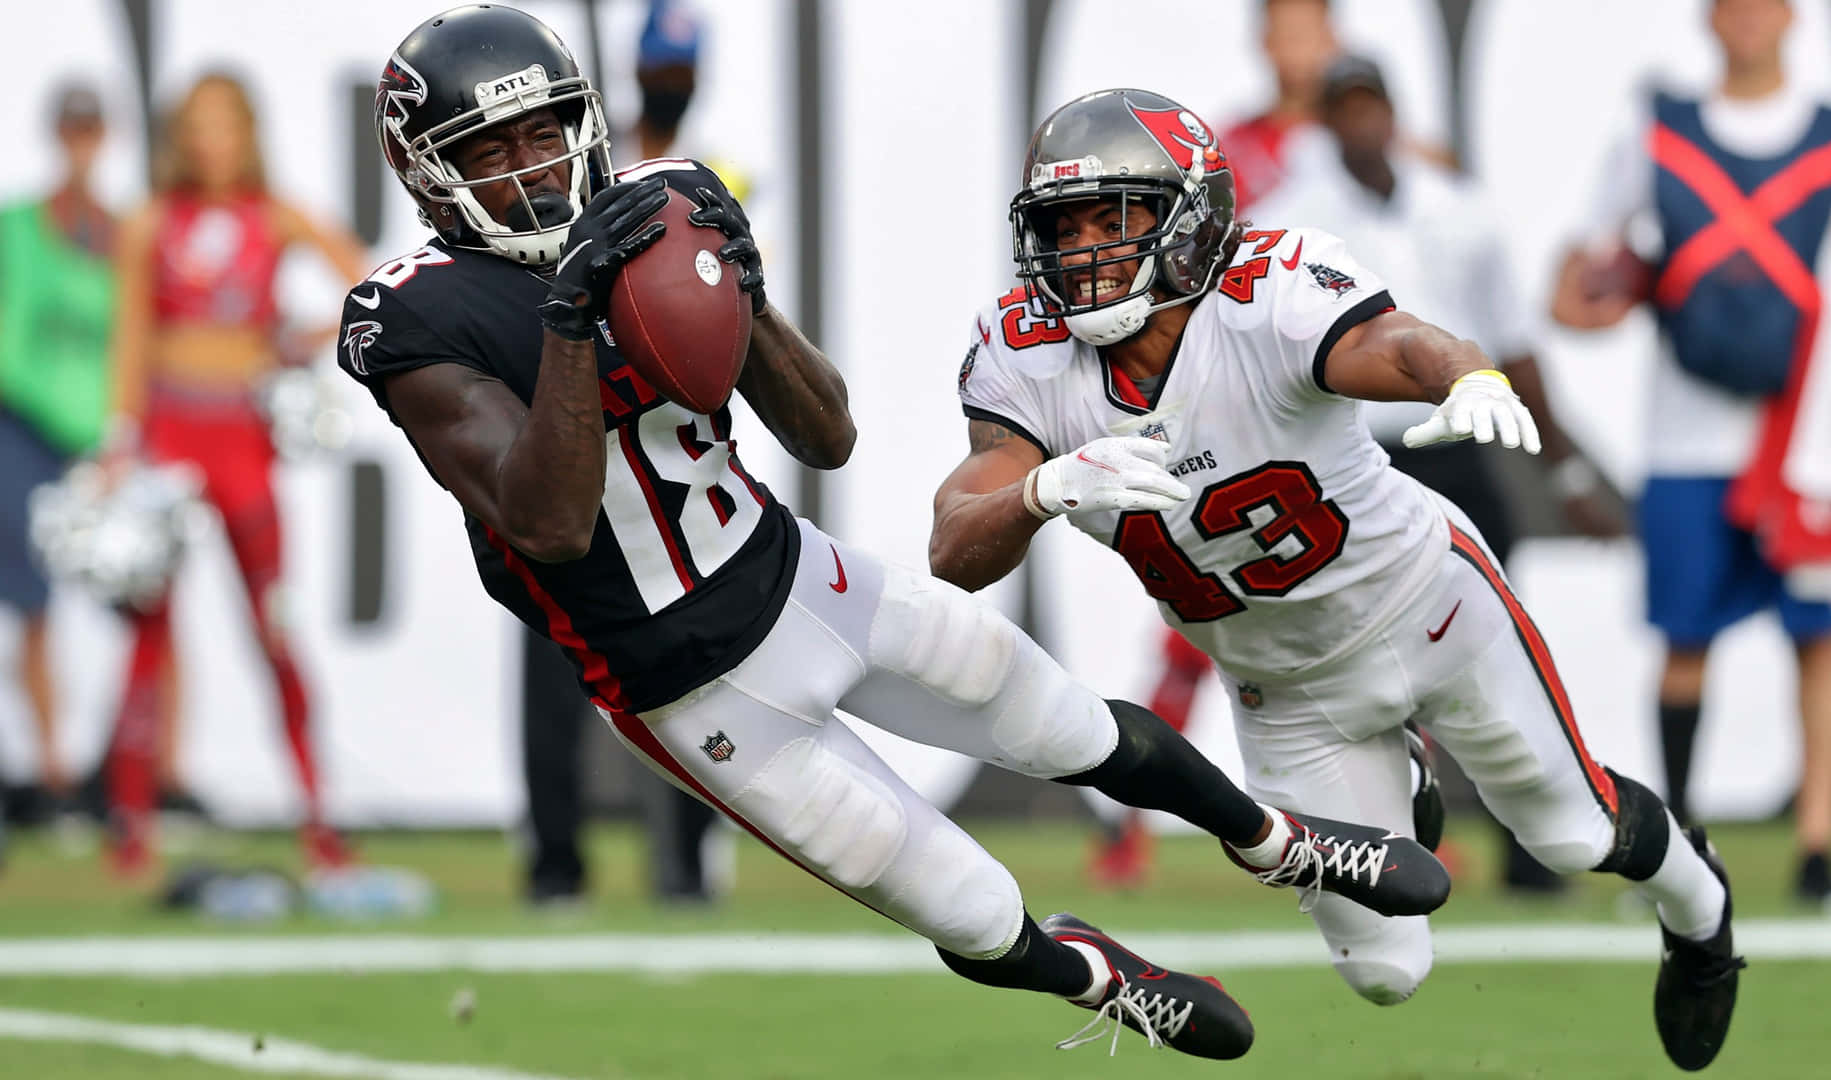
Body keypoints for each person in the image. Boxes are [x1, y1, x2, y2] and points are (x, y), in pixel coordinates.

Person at [342, 5, 1448, 1060]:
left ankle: (1280, 841)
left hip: (798, 578)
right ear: (428, 170)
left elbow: (827, 437)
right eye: (492, 146)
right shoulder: (411, 313)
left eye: (548, 130)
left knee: (1064, 723)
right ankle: (1098, 980)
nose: (535, 166)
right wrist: (572, 322)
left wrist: (750, 295)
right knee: (967, 911)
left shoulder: (657, 203)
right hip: (687, 687)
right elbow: (547, 521)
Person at [932, 86, 1744, 1070]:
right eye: (1065, 225)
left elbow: (1392, 342)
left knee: (1572, 832)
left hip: (1426, 605)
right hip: (1283, 688)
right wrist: (1039, 493)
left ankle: (1702, 914)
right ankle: (1401, 769)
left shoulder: (1267, 289)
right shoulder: (1023, 355)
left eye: (1118, 218)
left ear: (1190, 222)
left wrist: (1466, 376)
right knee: (1385, 971)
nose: (1086, 251)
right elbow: (953, 546)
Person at [1552, 0, 1831, 910]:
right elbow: (1576, 277)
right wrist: (1601, 294)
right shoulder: (1659, 128)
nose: (1749, 19)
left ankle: (1818, 849)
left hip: (1814, 443)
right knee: (1686, 638)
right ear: (1709, 19)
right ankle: (1680, 843)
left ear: (1792, 18)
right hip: (1689, 435)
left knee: (1823, 639)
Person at [1257, 54, 1631, 893]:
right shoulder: (1290, 223)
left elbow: (1517, 348)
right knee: (1355, 654)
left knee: (1495, 644)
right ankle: (1383, 848)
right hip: (1351, 454)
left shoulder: (1460, 212)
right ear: (1322, 122)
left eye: (1371, 107)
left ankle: (1536, 851)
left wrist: (1566, 475)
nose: (1360, 125)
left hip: (1455, 450)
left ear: (1394, 112)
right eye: (1343, 110)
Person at [106, 72, 366, 874]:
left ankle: (318, 812)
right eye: (196, 126)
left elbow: (360, 276)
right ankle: (131, 824)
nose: (209, 142)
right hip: (170, 435)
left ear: (247, 132)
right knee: (148, 636)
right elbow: (132, 338)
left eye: (223, 125)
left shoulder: (273, 215)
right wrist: (121, 440)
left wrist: (299, 340)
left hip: (242, 439)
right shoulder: (151, 222)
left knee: (274, 627)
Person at [517, 0, 726, 911]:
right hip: (566, 424)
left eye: (677, 72)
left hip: (659, 442)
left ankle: (688, 858)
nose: (667, 88)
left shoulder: (709, 171)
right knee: (552, 668)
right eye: (657, 70)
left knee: (695, 667)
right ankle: (555, 861)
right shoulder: (567, 172)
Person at [0, 83, 117, 824]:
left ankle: (142, 775)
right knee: (35, 605)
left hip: (103, 440)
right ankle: (52, 774)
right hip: (22, 426)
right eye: (71, 130)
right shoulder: (18, 227)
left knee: (146, 611)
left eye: (90, 130)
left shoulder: (119, 233)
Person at [1219, 0, 1339, 210]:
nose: (1297, 49)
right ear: (1265, 41)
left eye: (1307, 34)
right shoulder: (1227, 152)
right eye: (1287, 35)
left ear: (1331, 39)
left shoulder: (1369, 142)